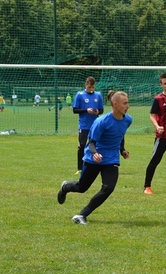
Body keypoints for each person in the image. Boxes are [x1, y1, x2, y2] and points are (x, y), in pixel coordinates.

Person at [57, 90, 132, 225]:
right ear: (115, 104)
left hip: (111, 160)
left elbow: (119, 135)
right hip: (93, 158)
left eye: (128, 103)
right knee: (82, 188)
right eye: (125, 103)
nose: (128, 106)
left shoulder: (128, 120)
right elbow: (91, 143)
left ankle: (82, 215)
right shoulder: (101, 122)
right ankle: (65, 187)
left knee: (108, 188)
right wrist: (95, 153)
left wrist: (122, 150)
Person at [73, 77, 104, 174]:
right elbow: (75, 110)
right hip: (84, 126)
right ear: (86, 85)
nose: (91, 89)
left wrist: (97, 111)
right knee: (82, 146)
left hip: (95, 125)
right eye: (90, 87)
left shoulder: (98, 95)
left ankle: (96, 166)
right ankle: (80, 168)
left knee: (97, 145)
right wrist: (86, 110)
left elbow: (101, 110)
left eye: (93, 87)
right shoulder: (80, 95)